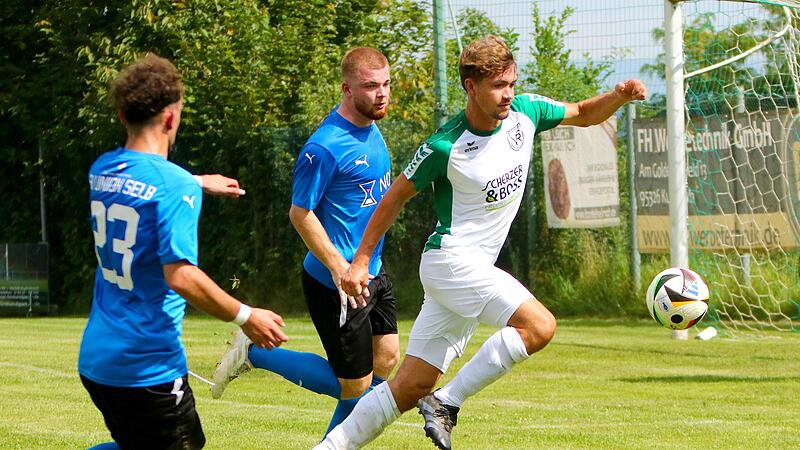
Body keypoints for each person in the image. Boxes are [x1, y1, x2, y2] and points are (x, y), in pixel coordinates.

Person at [315, 36, 647, 450]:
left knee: (409, 385)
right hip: (450, 261)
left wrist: (618, 95)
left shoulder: (526, 112)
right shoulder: (444, 144)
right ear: (471, 87)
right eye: (497, 85)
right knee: (540, 326)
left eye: (510, 82)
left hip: (471, 270)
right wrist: (361, 258)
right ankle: (447, 403)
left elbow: (581, 113)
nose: (507, 93)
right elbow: (394, 196)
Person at [78, 54, 288, 450]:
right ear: (171, 119)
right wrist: (247, 316)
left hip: (98, 359)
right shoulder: (173, 186)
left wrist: (193, 181)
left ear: (123, 116)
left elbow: (140, 184)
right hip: (147, 365)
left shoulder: (102, 170)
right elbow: (181, 275)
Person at [211, 47, 400, 437]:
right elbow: (300, 213)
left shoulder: (373, 128)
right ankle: (256, 353)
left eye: (385, 84)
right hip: (339, 284)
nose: (381, 94)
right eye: (370, 86)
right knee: (357, 388)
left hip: (372, 273)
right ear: (346, 89)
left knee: (386, 361)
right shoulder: (324, 146)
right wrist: (339, 268)